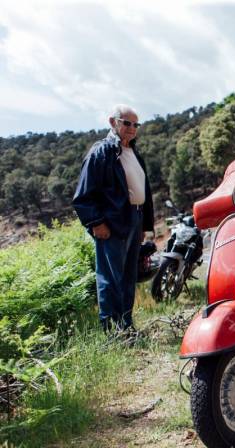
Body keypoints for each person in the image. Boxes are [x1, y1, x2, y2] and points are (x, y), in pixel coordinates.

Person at [72, 104, 154, 333]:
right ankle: (111, 332)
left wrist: (145, 224)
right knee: (110, 279)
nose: (131, 128)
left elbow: (143, 189)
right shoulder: (101, 152)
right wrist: (96, 223)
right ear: (113, 122)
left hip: (134, 220)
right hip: (112, 223)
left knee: (129, 278)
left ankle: (126, 327)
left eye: (135, 124)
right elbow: (83, 196)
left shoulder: (133, 152)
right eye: (126, 123)